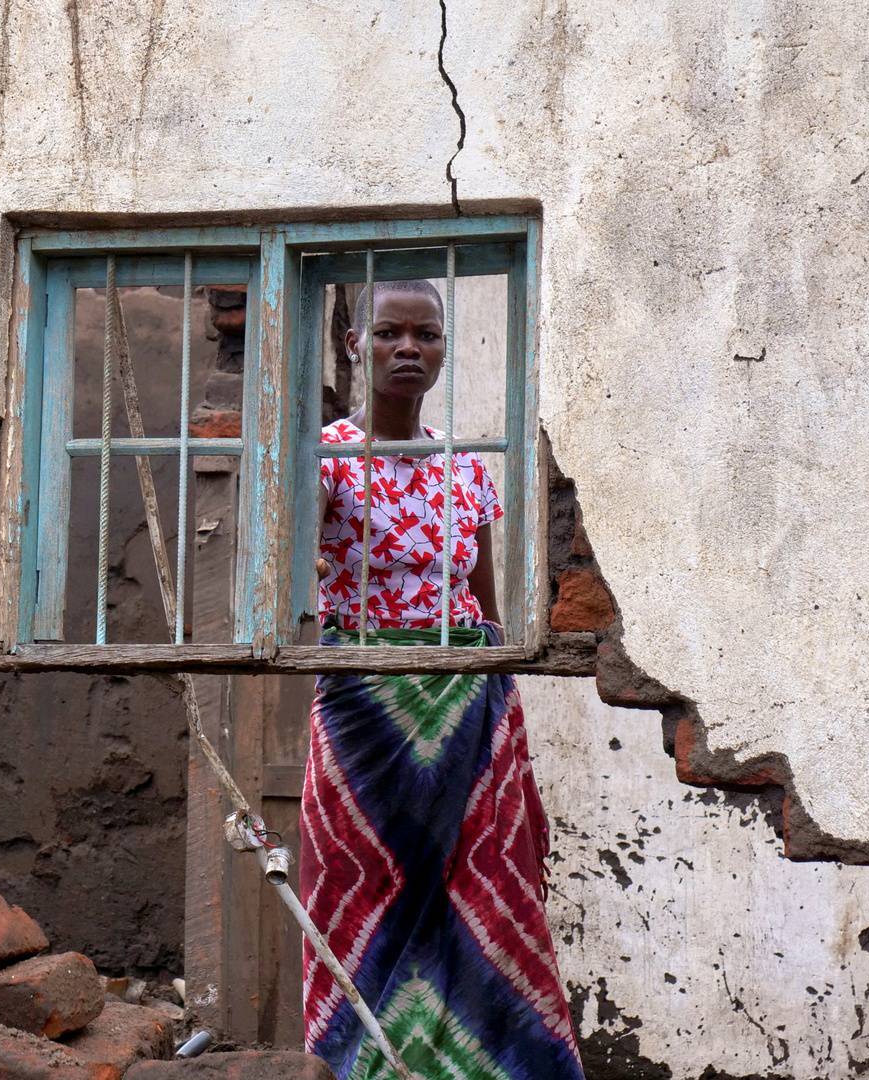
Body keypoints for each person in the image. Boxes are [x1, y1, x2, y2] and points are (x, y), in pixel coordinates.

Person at [300, 280, 583, 1079]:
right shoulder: (328, 459)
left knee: (484, 885)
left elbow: (484, 604)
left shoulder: (466, 467)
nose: (408, 349)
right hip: (365, 711)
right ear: (357, 344)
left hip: (466, 702)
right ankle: (364, 1065)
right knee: (363, 889)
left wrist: (504, 710)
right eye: (389, 333)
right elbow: (293, 567)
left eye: (425, 335)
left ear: (443, 349)